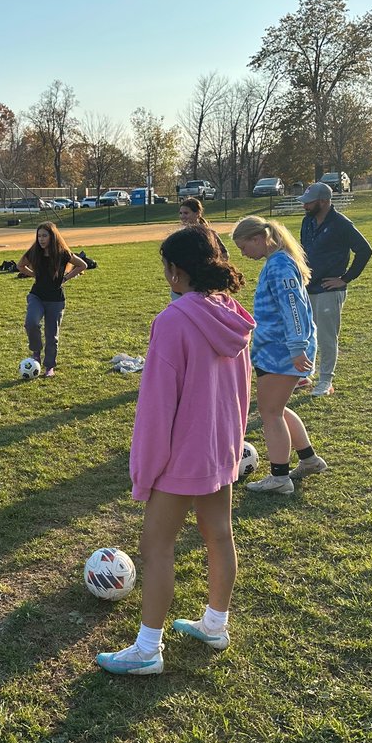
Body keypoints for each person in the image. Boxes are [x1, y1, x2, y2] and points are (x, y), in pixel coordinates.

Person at [95, 225, 254, 675]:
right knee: (219, 535)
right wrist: (232, 442)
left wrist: (144, 469)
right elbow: (242, 391)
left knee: (156, 547)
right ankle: (215, 624)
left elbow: (156, 406)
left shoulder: (173, 320)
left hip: (183, 457)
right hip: (221, 448)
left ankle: (148, 649)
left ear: (175, 271)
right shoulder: (233, 313)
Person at [231, 216, 329, 495]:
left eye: (243, 246)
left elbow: (294, 307)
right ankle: (309, 460)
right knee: (278, 409)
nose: (243, 253)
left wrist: (297, 348)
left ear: (258, 239)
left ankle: (279, 477)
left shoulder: (280, 265)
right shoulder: (277, 262)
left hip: (281, 351)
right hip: (276, 349)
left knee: (270, 413)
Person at [298, 182, 372, 396]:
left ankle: (325, 381)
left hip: (329, 290)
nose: (305, 207)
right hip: (308, 287)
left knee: (326, 337)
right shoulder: (307, 222)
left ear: (323, 201)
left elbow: (365, 251)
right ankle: (305, 376)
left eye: (308, 203)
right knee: (306, 334)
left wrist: (345, 278)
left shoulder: (341, 224)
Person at [16, 222, 87, 377]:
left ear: (52, 236)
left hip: (55, 299)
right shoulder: (34, 251)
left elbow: (82, 265)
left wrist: (66, 278)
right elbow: (20, 266)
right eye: (39, 236)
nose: (41, 239)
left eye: (44, 236)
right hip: (37, 296)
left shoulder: (62, 253)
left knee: (51, 334)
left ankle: (49, 367)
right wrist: (35, 275)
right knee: (31, 323)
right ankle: (36, 352)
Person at [172, 197, 229, 300]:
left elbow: (225, 255)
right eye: (180, 213)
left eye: (186, 213)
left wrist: (210, 271)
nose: (182, 217)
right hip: (183, 283)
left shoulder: (208, 234)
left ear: (198, 213)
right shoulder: (181, 235)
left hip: (201, 285)